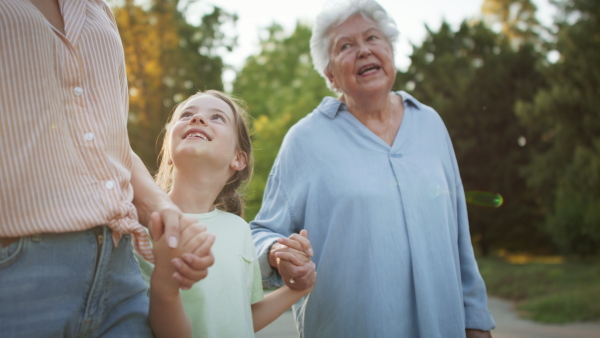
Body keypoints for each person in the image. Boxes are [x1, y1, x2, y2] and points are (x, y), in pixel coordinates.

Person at [250, 0, 496, 337]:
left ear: (391, 50)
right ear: (331, 75)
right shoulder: (305, 140)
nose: (364, 51)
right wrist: (279, 252)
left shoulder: (430, 124)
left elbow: (459, 238)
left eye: (372, 38)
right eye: (346, 46)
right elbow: (261, 231)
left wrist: (477, 322)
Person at [0, 1, 214, 337]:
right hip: (16, 277)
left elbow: (110, 143)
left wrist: (162, 207)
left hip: (119, 274)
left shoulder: (97, 9)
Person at [136, 90, 315, 338]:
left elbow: (244, 315)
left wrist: (299, 289)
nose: (196, 119)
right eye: (187, 114)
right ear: (168, 152)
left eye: (217, 117)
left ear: (238, 158)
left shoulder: (239, 229)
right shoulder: (141, 224)